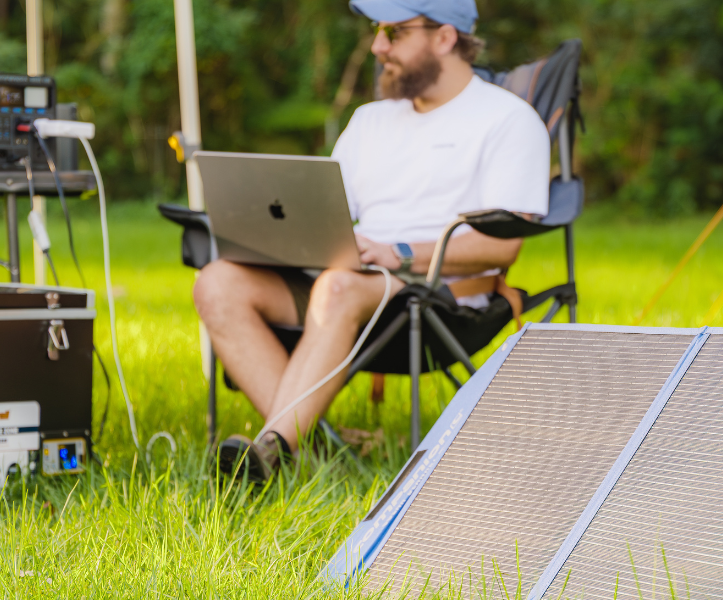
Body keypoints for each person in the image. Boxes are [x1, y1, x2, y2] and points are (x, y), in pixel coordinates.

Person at [193, 0, 551, 482]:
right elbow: (327, 211)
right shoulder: (370, 121)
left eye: (394, 33)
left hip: (438, 296)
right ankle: (309, 448)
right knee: (217, 283)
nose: (377, 46)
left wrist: (399, 253)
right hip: (343, 279)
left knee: (338, 287)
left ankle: (273, 450)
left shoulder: (508, 120)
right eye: (377, 31)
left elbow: (501, 248)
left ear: (444, 37)